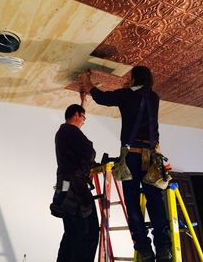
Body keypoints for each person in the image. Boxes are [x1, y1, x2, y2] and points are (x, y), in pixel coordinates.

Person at [81, 66, 172, 262]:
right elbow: (137, 97)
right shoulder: (154, 97)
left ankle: (144, 249)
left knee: (132, 203)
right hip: (152, 156)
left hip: (131, 156)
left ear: (133, 78)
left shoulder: (125, 95)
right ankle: (163, 249)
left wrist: (87, 81)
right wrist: (129, 88)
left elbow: (101, 98)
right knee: (155, 202)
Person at [51, 104, 99, 262]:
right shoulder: (70, 130)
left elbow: (78, 155)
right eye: (83, 118)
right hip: (75, 191)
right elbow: (88, 151)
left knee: (71, 234)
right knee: (86, 235)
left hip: (66, 192)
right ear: (77, 115)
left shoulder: (62, 133)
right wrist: (90, 159)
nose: (83, 122)